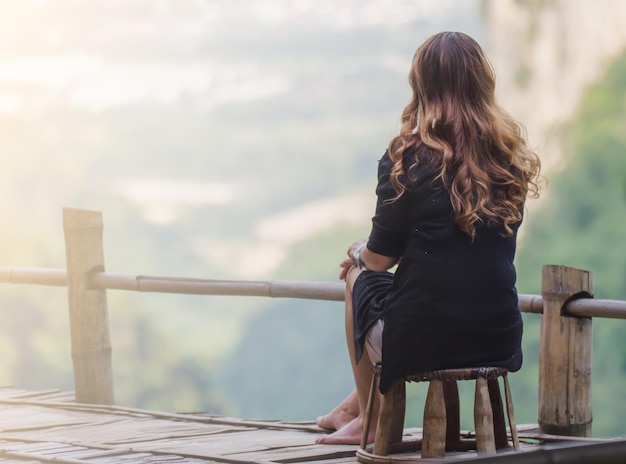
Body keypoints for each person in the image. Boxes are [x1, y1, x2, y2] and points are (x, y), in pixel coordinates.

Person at [315, 31, 542, 445]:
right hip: (497, 334)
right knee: (383, 282)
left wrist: (357, 253)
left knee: (357, 278)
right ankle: (352, 407)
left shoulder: (407, 158)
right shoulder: (509, 158)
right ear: (482, 84)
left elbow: (381, 258)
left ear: (421, 87)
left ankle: (371, 414)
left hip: (426, 337)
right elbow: (462, 249)